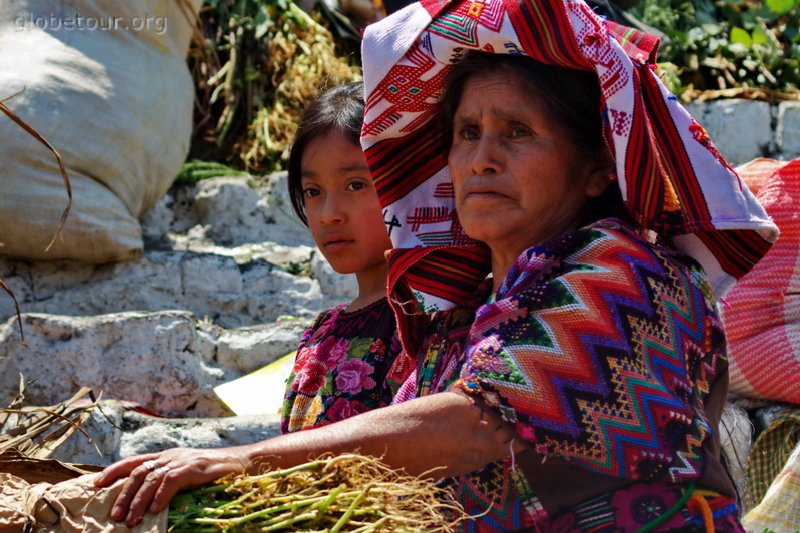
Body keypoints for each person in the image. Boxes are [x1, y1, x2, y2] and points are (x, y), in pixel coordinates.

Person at [95, 0, 778, 530]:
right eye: (466, 134)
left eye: (518, 133)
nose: (481, 158)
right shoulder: (468, 321)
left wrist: (235, 461)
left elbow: (475, 425)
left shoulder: (628, 275)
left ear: (598, 165)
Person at [280, 81, 407, 433]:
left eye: (355, 185)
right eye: (313, 191)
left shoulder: (424, 319)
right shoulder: (321, 333)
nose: (328, 214)